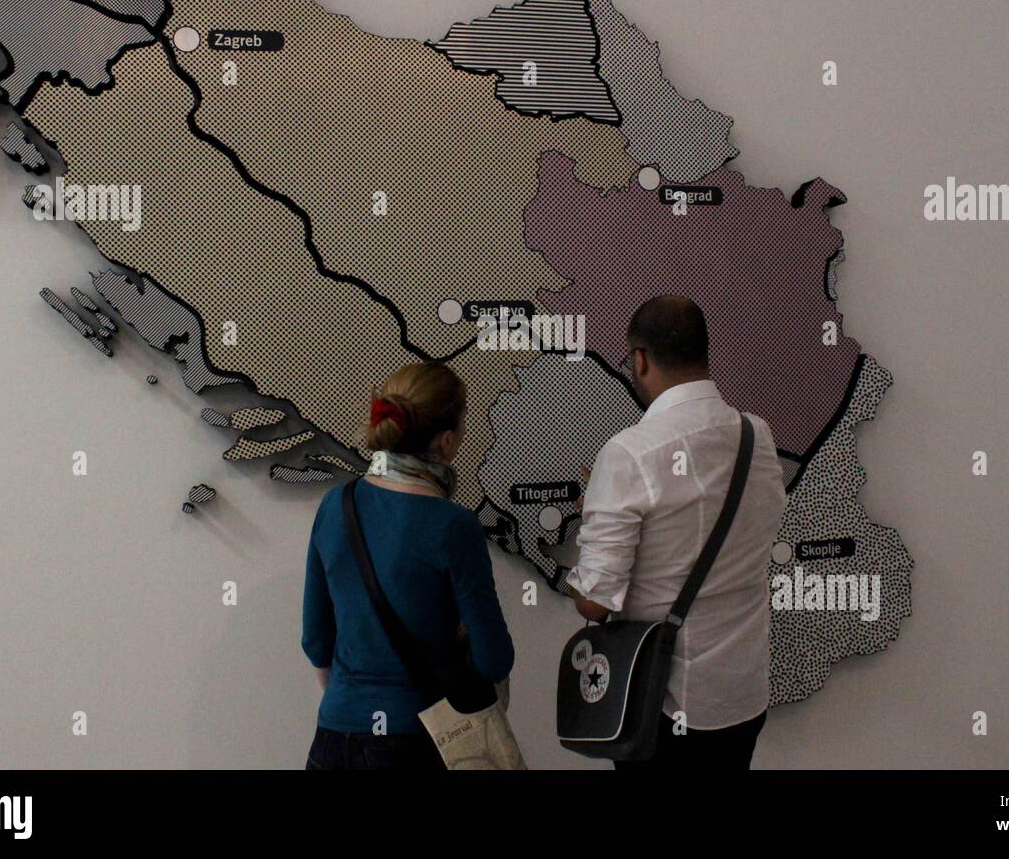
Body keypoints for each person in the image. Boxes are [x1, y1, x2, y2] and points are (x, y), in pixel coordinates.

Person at [566, 295, 788, 770]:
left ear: (640, 360)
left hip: (661, 706)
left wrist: (595, 521)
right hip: (742, 698)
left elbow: (595, 602)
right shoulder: (757, 436)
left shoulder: (629, 453)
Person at [302, 362, 515, 770]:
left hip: (333, 739)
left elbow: (315, 640)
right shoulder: (454, 526)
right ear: (448, 442)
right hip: (419, 743)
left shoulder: (335, 506)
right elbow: (494, 660)